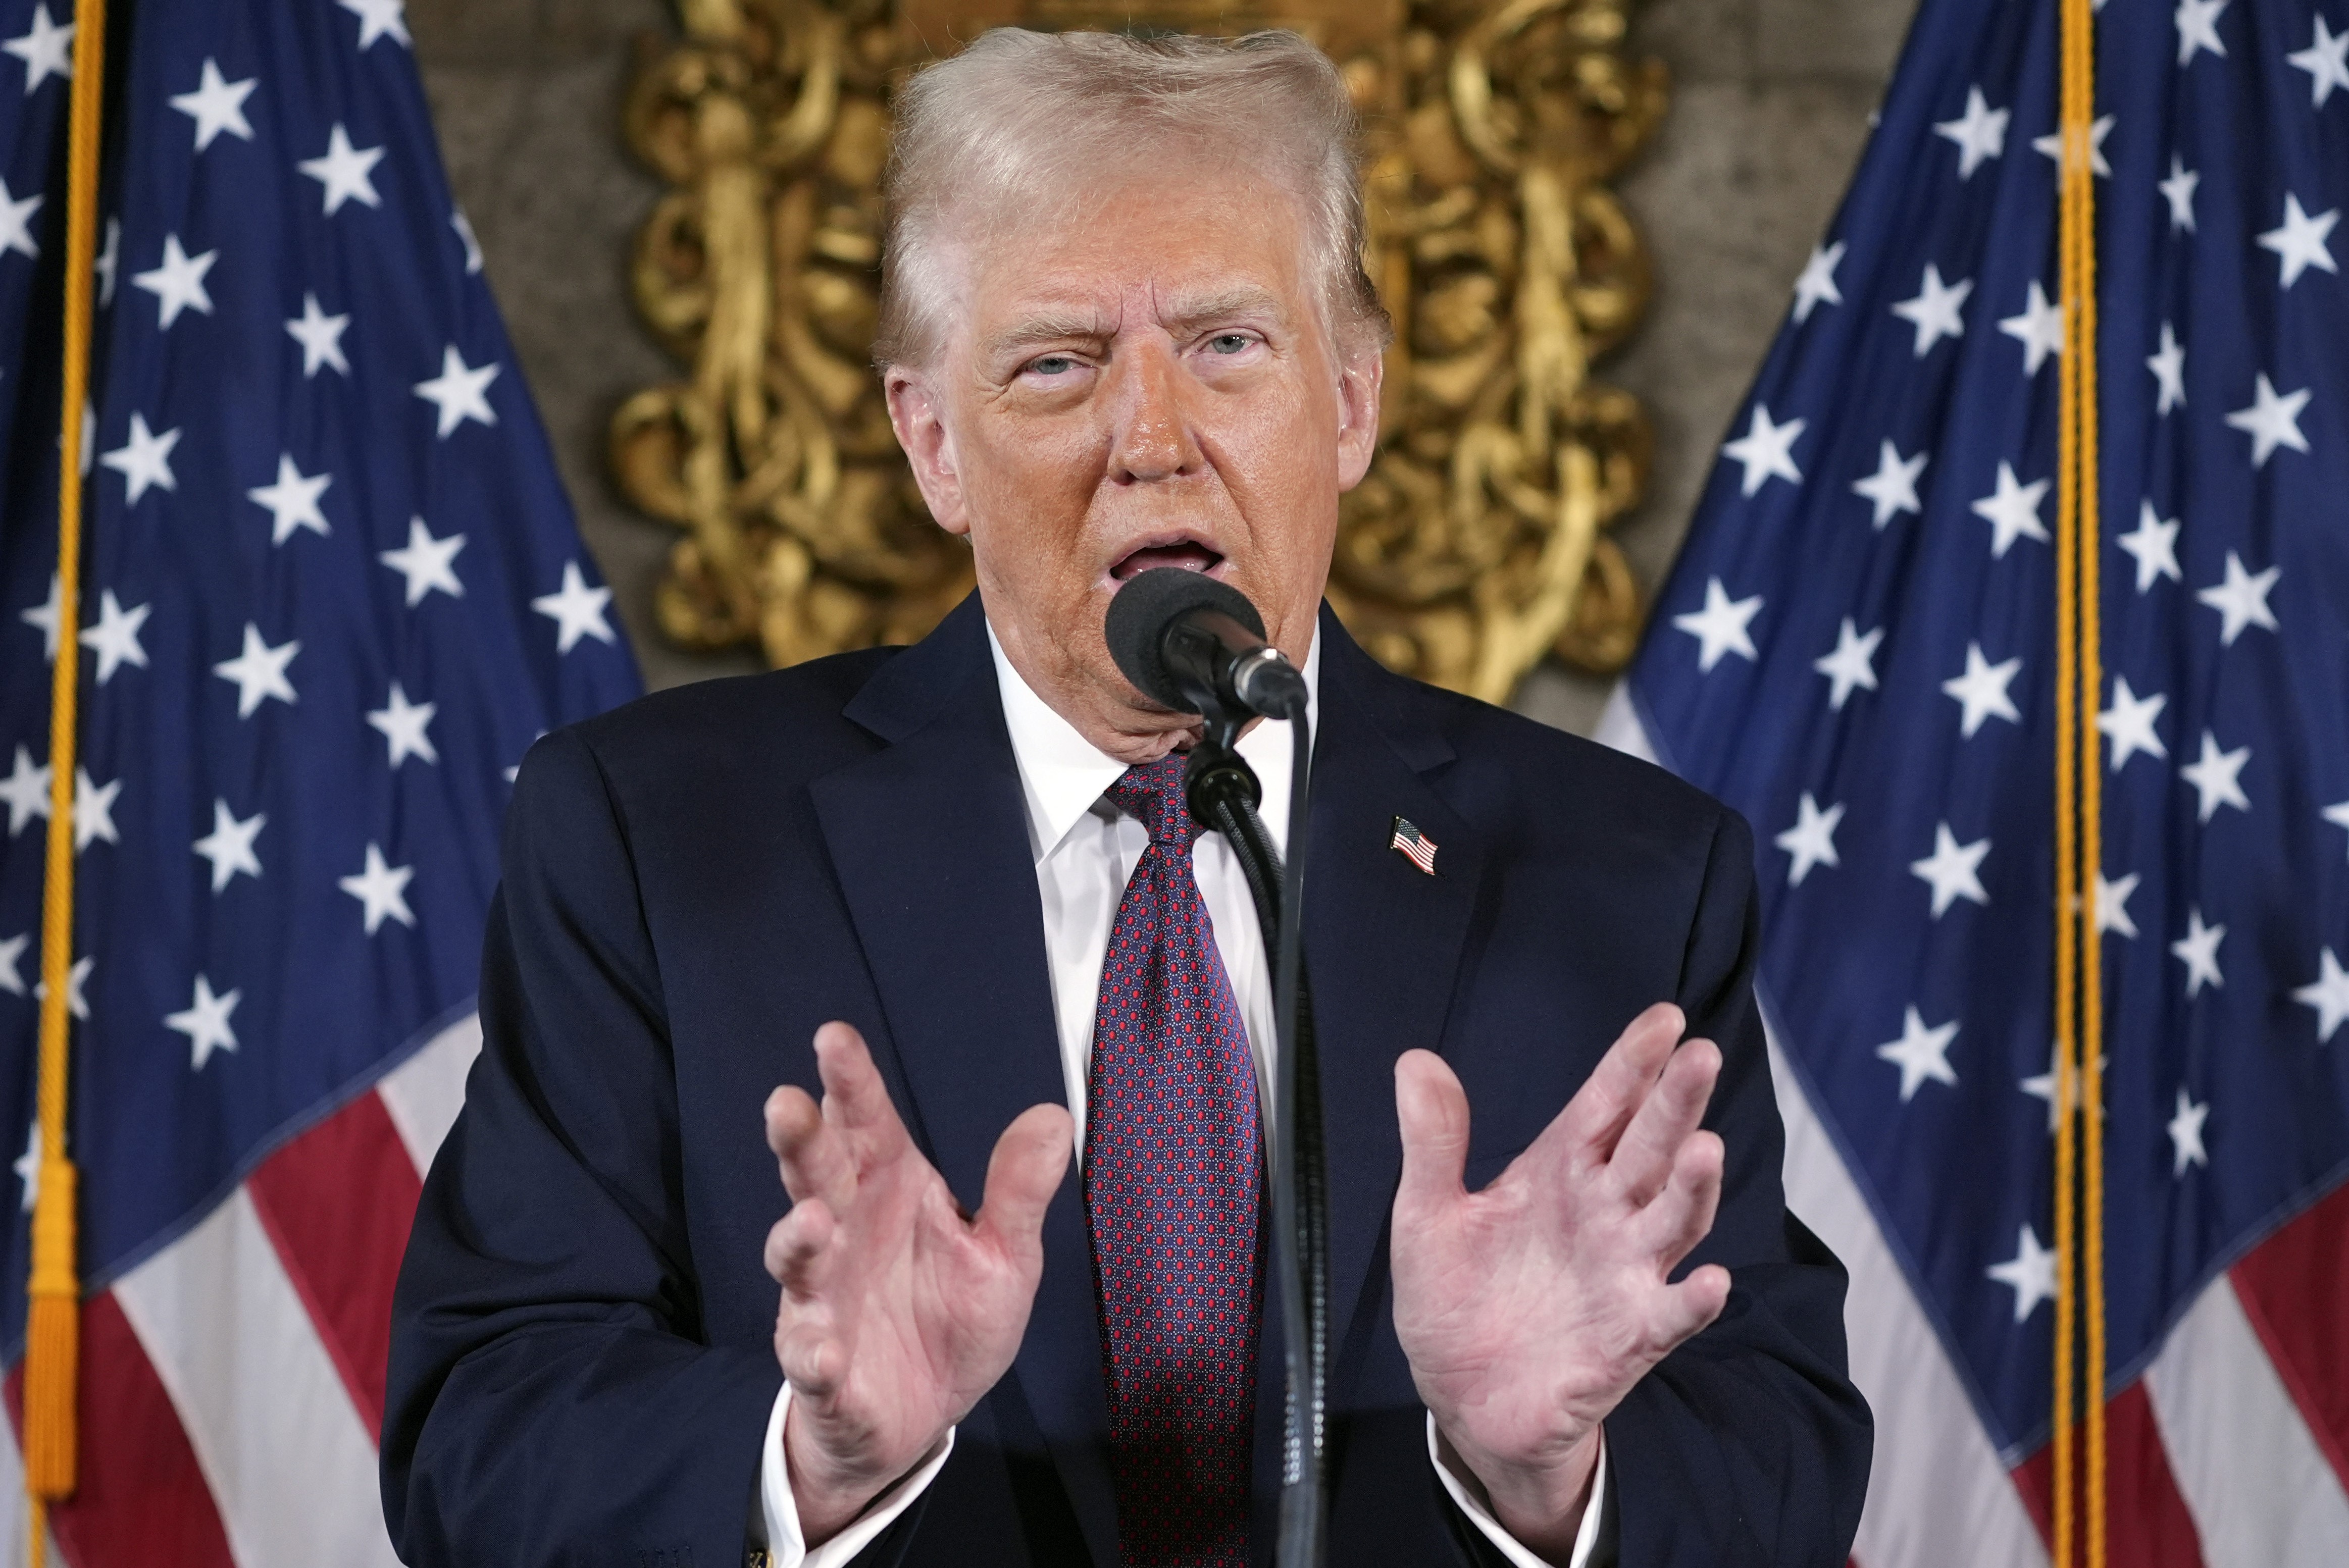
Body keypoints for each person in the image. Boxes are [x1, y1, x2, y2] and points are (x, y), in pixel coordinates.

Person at [382, 29, 1870, 1568]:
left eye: (1229, 344)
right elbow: (477, 1433)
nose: (1152, 442)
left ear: (1350, 401)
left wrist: (1544, 1474)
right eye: (1056, 363)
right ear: (932, 442)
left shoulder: (1622, 878)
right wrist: (805, 1461)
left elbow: (1783, 1461)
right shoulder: (652, 844)